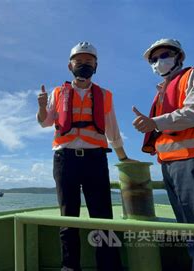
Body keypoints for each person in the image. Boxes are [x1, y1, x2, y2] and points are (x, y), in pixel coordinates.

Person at [37, 41, 133, 271]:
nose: (83, 65)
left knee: (102, 216)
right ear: (70, 66)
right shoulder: (58, 92)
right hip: (64, 160)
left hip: (95, 160)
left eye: (88, 62)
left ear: (96, 66)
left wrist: (123, 158)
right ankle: (69, 267)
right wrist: (41, 106)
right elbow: (45, 122)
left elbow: (113, 130)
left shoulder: (104, 95)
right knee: (67, 216)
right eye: (78, 62)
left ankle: (109, 267)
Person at [133, 38, 194, 271]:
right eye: (153, 59)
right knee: (189, 227)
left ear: (178, 57)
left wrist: (154, 122)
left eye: (164, 56)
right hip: (171, 166)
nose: (158, 62)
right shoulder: (161, 92)